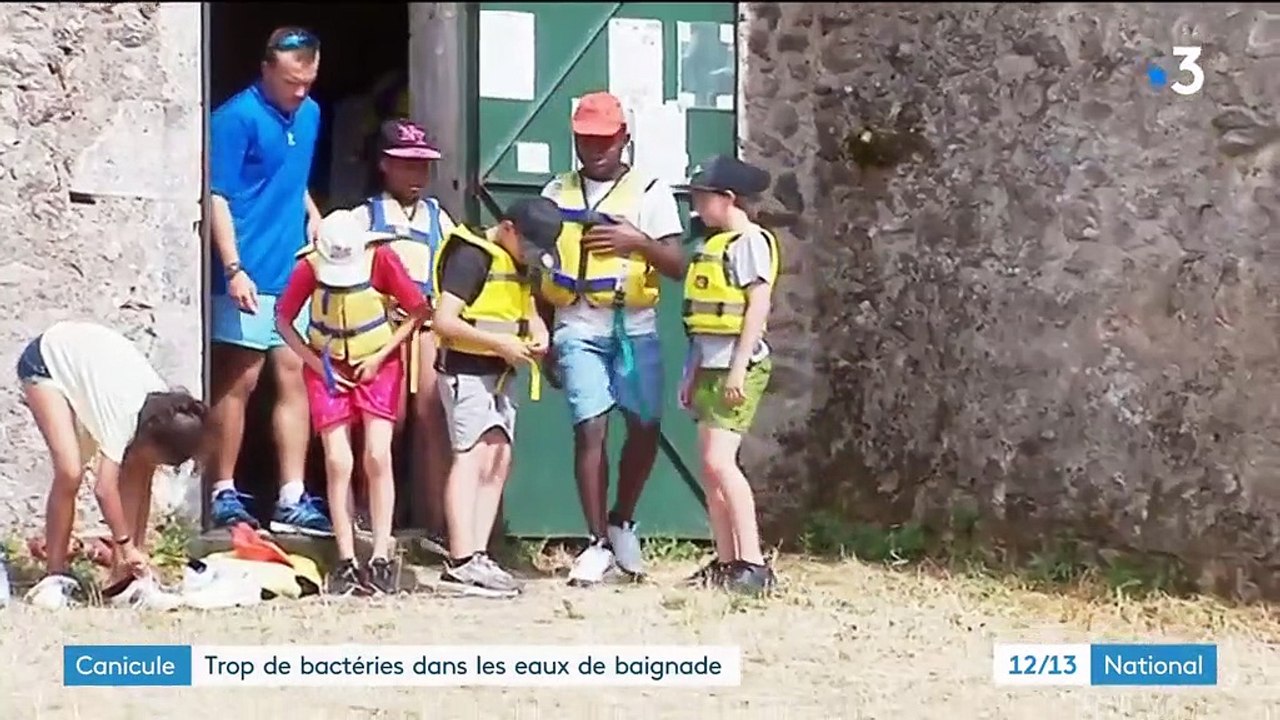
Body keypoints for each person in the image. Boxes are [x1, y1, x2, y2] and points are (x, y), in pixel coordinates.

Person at [537, 91, 687, 586]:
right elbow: (538, 267)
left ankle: (623, 519)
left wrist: (636, 242)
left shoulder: (650, 193)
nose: (594, 148)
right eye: (585, 139)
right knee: (590, 428)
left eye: (604, 139)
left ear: (624, 138)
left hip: (634, 329)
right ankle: (597, 541)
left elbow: (677, 264)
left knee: (644, 429)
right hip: (575, 326)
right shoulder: (555, 192)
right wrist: (541, 338)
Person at [207, 27, 332, 536]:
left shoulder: (312, 114)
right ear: (266, 70)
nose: (299, 92)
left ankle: (291, 495)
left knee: (294, 373)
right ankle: (221, 489)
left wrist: (313, 214)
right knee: (241, 377)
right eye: (289, 82)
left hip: (292, 270)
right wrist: (233, 267)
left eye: (307, 81)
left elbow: (291, 178)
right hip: (246, 270)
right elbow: (216, 195)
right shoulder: (234, 118)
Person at [275, 209, 432, 596]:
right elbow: (283, 319)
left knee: (378, 455)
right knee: (337, 460)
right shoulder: (309, 267)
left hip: (378, 363)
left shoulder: (381, 259)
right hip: (327, 367)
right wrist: (315, 362)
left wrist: (380, 357)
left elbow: (417, 310)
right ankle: (345, 559)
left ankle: (381, 553)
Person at [18, 321, 210, 610]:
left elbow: (141, 481)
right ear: (151, 437)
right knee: (70, 471)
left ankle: (126, 577)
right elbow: (104, 490)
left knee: (140, 468)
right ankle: (54, 577)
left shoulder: (164, 409)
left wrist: (134, 554)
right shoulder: (123, 417)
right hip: (47, 362)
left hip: (89, 366)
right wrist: (125, 542)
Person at [432, 197, 560, 598]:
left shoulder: (517, 261)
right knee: (469, 456)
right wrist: (498, 344)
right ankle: (460, 560)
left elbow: (526, 309)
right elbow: (444, 321)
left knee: (498, 459)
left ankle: (479, 553)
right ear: (508, 229)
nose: (532, 257)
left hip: (501, 374)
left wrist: (538, 332)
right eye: (530, 246)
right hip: (465, 371)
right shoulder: (472, 257)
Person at [348, 118, 456, 556]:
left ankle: (436, 522)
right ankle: (367, 518)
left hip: (426, 327)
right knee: (381, 425)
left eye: (422, 167)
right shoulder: (363, 217)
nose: (416, 176)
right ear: (384, 165)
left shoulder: (438, 218)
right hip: (378, 332)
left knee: (433, 421)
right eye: (406, 165)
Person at [674, 156, 779, 594]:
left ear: (728, 199)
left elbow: (758, 306)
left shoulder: (749, 241)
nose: (696, 207)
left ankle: (753, 564)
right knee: (710, 467)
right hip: (710, 366)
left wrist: (738, 368)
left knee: (721, 462)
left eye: (701, 198)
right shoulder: (711, 245)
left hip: (741, 367)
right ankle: (726, 560)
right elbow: (702, 324)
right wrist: (691, 372)